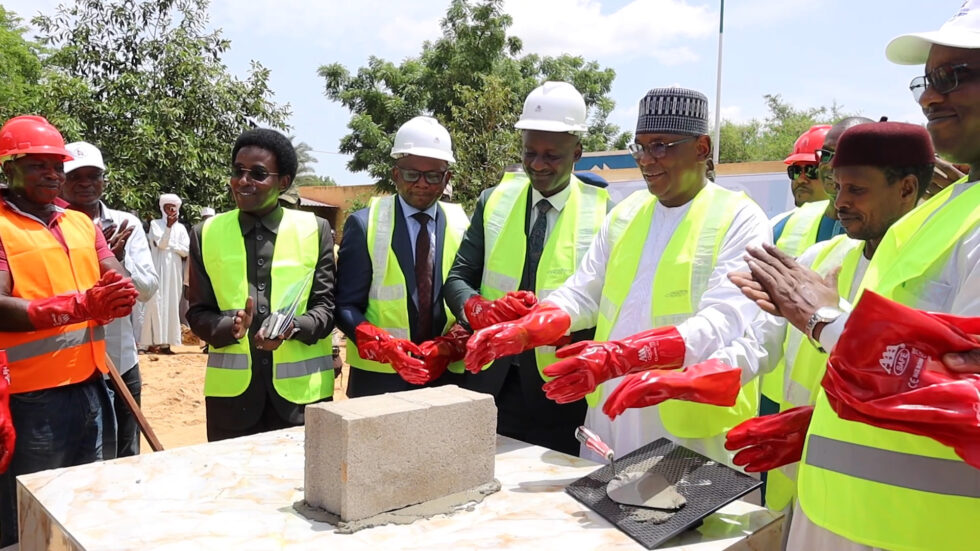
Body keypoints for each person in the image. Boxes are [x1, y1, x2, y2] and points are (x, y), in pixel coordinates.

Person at [732, 5, 980, 548]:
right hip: (843, 515)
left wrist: (822, 318)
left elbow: (965, 393)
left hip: (918, 532)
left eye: (953, 76)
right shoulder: (943, 213)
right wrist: (823, 422)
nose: (928, 97)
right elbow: (902, 370)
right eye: (927, 80)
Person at [463, 86, 769, 462]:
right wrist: (527, 329)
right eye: (640, 146)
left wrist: (619, 357)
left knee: (677, 520)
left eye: (660, 145)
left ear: (702, 148)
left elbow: (724, 322)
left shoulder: (740, 218)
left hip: (685, 424)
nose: (646, 160)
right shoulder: (627, 213)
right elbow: (583, 291)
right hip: (609, 413)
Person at [724, 121, 934, 514]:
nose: (839, 203)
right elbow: (762, 339)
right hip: (801, 482)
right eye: (837, 188)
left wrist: (828, 319)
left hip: (877, 494)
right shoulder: (823, 256)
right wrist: (708, 371)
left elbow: (924, 378)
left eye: (856, 190)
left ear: (906, 189)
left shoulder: (932, 271)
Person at [444, 82, 611, 455]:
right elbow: (457, 280)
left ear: (578, 152)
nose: (537, 165)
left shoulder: (606, 215)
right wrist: (478, 310)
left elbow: (610, 302)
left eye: (551, 155)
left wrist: (576, 337)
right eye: (529, 152)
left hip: (560, 391)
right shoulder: (495, 201)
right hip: (490, 382)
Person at [0, 115, 139, 545]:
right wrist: (79, 305)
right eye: (38, 164)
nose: (52, 174)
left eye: (56, 165)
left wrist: (119, 290)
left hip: (92, 386)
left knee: (86, 505)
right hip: (32, 400)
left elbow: (113, 276)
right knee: (34, 514)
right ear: (9, 169)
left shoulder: (79, 222)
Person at [186, 128, 335, 442]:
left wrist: (293, 327)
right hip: (232, 401)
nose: (243, 181)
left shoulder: (314, 229)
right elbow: (198, 312)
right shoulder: (206, 233)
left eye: (258, 173)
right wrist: (229, 327)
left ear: (283, 182)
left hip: (301, 400)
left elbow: (326, 306)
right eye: (238, 171)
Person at [337, 116, 470, 397]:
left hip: (446, 378)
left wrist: (448, 347)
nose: (421, 183)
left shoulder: (463, 225)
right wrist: (385, 347)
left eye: (433, 175)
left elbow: (471, 296)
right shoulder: (365, 224)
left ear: (447, 178)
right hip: (379, 380)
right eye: (412, 174)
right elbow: (346, 306)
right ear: (396, 174)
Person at [757, 119, 870, 417]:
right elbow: (762, 332)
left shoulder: (900, 244)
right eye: (797, 170)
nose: (805, 177)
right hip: (783, 394)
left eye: (811, 168)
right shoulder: (782, 227)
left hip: (849, 418)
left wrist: (824, 321)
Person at [62, 141, 159, 458]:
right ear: (62, 181)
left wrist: (118, 265)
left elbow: (147, 289)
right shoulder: (51, 228)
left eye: (93, 175)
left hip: (121, 359)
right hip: (70, 369)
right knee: (81, 456)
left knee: (127, 453)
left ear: (104, 180)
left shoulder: (126, 223)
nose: (85, 184)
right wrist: (96, 264)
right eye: (76, 176)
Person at [141, 193, 188, 353]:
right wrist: (168, 228)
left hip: (174, 270)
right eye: (167, 208)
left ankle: (166, 344)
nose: (170, 210)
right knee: (155, 303)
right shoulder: (155, 224)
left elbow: (186, 251)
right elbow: (161, 245)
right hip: (158, 268)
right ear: (163, 209)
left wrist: (173, 247)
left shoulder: (181, 228)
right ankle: (146, 343)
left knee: (171, 303)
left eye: (173, 207)